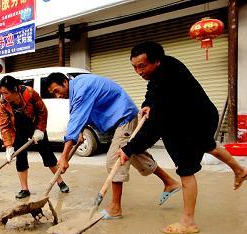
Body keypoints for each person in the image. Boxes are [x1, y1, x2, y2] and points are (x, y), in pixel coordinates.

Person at [118, 41, 247, 234]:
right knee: (208, 145)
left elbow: (155, 127)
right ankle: (239, 170)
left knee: (186, 169)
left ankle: (188, 222)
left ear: (157, 61)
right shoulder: (163, 69)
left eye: (142, 66)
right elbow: (152, 92)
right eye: (134, 67)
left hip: (193, 120)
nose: (138, 72)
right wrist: (147, 103)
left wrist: (129, 149)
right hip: (196, 115)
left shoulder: (168, 77)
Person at [45, 72, 181, 219]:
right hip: (120, 119)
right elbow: (79, 115)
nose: (57, 96)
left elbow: (76, 118)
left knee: (114, 159)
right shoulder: (77, 87)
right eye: (53, 94)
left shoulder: (82, 88)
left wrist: (64, 156)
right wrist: (80, 132)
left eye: (57, 91)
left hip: (125, 117)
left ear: (65, 82)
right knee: (135, 154)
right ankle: (170, 182)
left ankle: (116, 208)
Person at [0, 75, 70, 199]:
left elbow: (43, 111)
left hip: (36, 127)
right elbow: (4, 125)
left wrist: (40, 129)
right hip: (19, 130)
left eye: (6, 93)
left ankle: (60, 182)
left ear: (15, 89)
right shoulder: (3, 103)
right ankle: (24, 189)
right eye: (2, 93)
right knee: (20, 159)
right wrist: (8, 146)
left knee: (47, 155)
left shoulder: (29, 93)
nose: (4, 96)